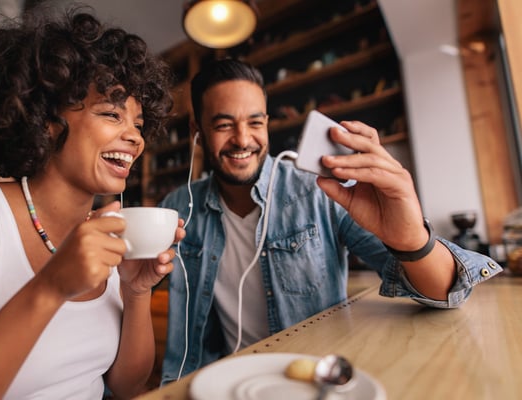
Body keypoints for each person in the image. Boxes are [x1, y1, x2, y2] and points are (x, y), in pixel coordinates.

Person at [159, 58, 502, 384]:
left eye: (255, 122)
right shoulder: (177, 208)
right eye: (223, 124)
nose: (243, 139)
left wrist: (411, 239)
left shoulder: (319, 189)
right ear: (197, 132)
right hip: (224, 382)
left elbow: (444, 294)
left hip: (314, 379)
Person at [0, 5, 184, 399]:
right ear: (47, 119)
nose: (134, 137)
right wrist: (50, 287)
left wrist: (135, 290)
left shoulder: (106, 235)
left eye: (139, 124)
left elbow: (126, 386)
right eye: (112, 113)